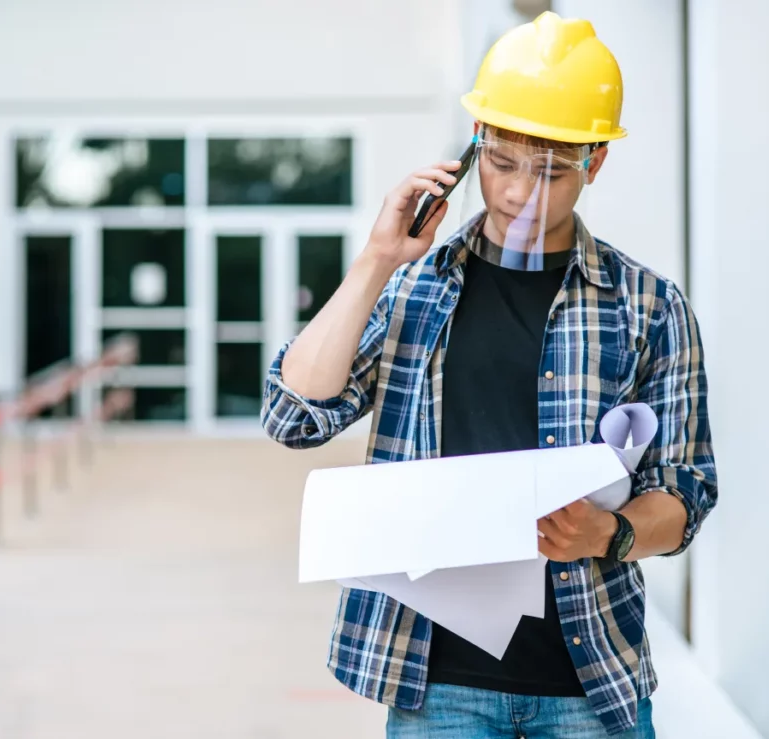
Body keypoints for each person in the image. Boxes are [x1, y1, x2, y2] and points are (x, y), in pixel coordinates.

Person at [261, 10, 717, 739]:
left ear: (594, 162)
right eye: (502, 164)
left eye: (552, 172)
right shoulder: (414, 288)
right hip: (437, 685)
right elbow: (294, 416)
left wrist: (612, 532)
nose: (519, 196)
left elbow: (687, 493)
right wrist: (378, 259)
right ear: (474, 149)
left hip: (591, 682)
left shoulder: (649, 307)